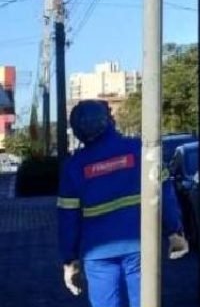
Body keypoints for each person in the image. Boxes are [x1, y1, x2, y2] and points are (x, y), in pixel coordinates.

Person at [57, 100, 189, 307]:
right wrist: (174, 231)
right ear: (109, 121)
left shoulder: (73, 167)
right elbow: (164, 193)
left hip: (97, 254)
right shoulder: (140, 151)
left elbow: (68, 220)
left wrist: (69, 260)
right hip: (140, 245)